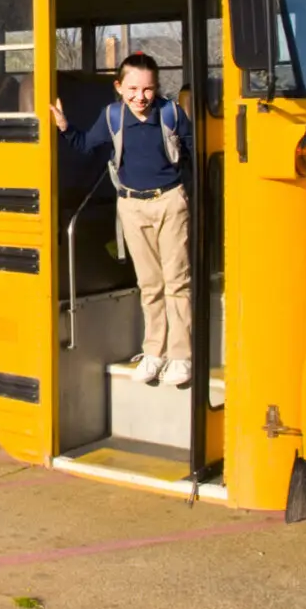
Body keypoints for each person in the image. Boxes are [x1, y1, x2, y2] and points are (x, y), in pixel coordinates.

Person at [50, 53, 194, 387]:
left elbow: (191, 151)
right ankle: (154, 352)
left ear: (157, 89)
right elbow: (87, 145)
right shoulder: (113, 117)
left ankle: (181, 356)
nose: (140, 96)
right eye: (132, 88)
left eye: (147, 89)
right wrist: (64, 127)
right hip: (131, 205)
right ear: (118, 87)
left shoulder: (171, 114)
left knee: (177, 282)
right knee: (150, 285)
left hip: (169, 202)